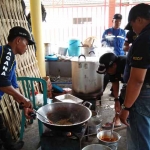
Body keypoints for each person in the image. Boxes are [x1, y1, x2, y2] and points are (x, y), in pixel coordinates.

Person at [119, 3, 150, 150]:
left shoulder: (144, 39)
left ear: (138, 20)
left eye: (132, 25)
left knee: (139, 140)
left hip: (143, 95)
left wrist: (126, 108)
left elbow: (137, 80)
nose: (133, 30)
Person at [0, 26, 34, 150]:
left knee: (1, 128)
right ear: (18, 40)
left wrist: (23, 104)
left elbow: (13, 85)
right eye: (26, 42)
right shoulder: (7, 52)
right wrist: (24, 100)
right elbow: (2, 83)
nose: (27, 46)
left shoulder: (11, 58)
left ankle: (10, 147)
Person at [97, 52, 126, 128]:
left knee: (126, 99)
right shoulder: (112, 68)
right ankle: (117, 119)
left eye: (107, 70)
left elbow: (134, 84)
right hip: (129, 82)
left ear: (114, 65)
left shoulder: (126, 65)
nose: (107, 73)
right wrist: (116, 100)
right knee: (119, 101)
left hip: (142, 83)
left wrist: (125, 107)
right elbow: (115, 82)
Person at [101, 14, 126, 96]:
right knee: (108, 75)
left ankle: (113, 92)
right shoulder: (107, 31)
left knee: (118, 74)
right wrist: (106, 47)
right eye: (116, 21)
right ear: (112, 21)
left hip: (120, 57)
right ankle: (101, 91)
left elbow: (126, 44)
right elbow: (103, 42)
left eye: (119, 21)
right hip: (110, 57)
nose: (117, 23)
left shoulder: (123, 32)